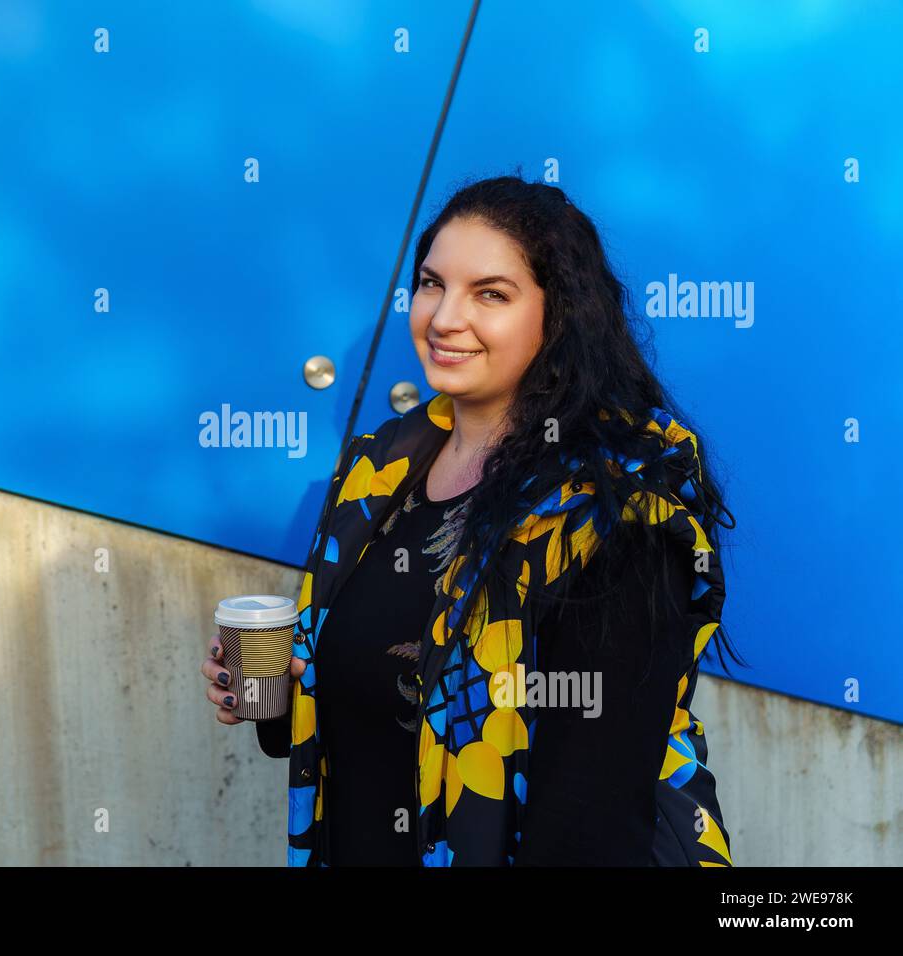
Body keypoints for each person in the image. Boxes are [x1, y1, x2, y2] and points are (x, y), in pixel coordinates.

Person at [200, 174, 741, 866]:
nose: (445, 318)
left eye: (491, 293)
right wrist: (277, 700)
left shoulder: (615, 514)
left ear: (560, 315)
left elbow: (589, 822)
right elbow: (369, 710)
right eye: (432, 284)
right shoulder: (378, 474)